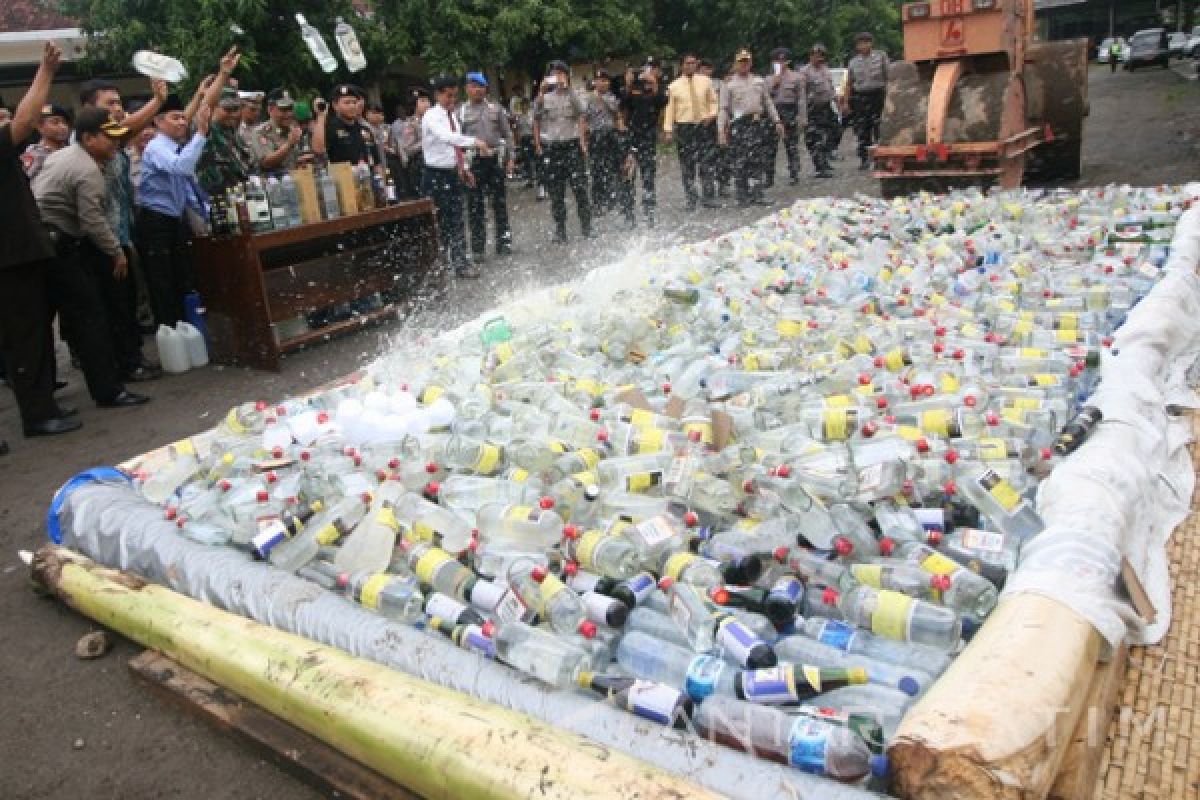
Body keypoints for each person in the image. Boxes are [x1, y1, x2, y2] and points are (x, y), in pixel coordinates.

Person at [34, 106, 152, 410]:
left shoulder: (65, 155)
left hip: (41, 242)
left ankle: (42, 399)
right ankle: (108, 391)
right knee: (91, 319)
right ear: (87, 138)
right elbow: (93, 221)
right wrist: (116, 252)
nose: (115, 143)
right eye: (108, 137)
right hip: (58, 245)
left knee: (42, 324)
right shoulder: (87, 171)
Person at [0, 42, 82, 442]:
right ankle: (37, 415)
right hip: (10, 260)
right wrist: (46, 71)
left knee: (31, 338)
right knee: (25, 340)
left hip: (19, 256)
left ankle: (43, 406)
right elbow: (26, 119)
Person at [78, 75, 170, 381]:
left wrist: (158, 102)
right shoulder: (87, 144)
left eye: (119, 102)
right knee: (112, 308)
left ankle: (133, 359)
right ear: (89, 110)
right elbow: (90, 212)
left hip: (122, 235)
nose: (118, 109)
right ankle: (124, 366)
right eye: (110, 103)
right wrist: (113, 248)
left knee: (127, 303)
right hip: (99, 241)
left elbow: (129, 127)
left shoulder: (112, 137)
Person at [137, 93, 212, 327]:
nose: (181, 122)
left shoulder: (178, 146)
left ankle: (188, 329)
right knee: (163, 282)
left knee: (183, 277)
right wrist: (200, 133)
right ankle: (170, 331)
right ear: (158, 122)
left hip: (176, 219)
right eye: (175, 117)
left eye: (183, 118)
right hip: (156, 221)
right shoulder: (156, 147)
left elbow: (188, 186)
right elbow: (181, 167)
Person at [421, 75, 492, 279]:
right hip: (435, 175)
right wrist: (475, 142)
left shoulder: (453, 117)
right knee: (440, 223)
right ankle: (440, 266)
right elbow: (448, 138)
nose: (452, 100)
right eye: (448, 96)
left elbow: (456, 150)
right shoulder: (431, 116)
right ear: (438, 95)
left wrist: (464, 168)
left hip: (452, 173)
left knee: (458, 219)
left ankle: (461, 264)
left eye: (454, 96)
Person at [533, 60, 592, 244]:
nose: (557, 77)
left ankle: (587, 227)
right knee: (556, 192)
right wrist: (541, 92)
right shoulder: (546, 97)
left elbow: (582, 111)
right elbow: (535, 115)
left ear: (567, 75)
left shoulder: (575, 95)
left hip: (572, 147)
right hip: (554, 149)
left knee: (580, 188)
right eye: (554, 73)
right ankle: (560, 230)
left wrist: (569, 88)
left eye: (561, 73)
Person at [459, 72, 515, 258]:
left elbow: (507, 135)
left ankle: (504, 243)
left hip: (494, 160)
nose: (478, 90)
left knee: (499, 204)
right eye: (474, 86)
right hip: (473, 162)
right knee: (475, 207)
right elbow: (457, 141)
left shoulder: (496, 109)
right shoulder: (461, 112)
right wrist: (462, 167)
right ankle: (478, 249)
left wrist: (511, 158)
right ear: (467, 89)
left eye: (481, 86)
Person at [719, 48, 784, 207]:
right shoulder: (729, 84)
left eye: (747, 61)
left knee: (757, 159)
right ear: (736, 63)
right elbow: (723, 108)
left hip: (756, 123)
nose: (744, 65)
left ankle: (757, 193)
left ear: (751, 63)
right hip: (739, 124)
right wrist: (721, 130)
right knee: (740, 160)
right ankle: (742, 195)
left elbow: (768, 103)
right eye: (741, 62)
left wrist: (777, 121)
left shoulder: (758, 81)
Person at [663, 52, 719, 211]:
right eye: (687, 63)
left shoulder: (705, 81)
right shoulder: (673, 86)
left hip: (703, 125)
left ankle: (708, 197)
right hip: (684, 128)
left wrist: (712, 114)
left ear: (697, 64)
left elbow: (713, 101)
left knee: (707, 163)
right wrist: (668, 130)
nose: (690, 66)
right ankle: (691, 199)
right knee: (687, 166)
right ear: (681, 65)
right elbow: (669, 109)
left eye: (693, 63)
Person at [619, 67, 667, 227]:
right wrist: (628, 83)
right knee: (627, 179)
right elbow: (623, 103)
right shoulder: (632, 90)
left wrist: (654, 83)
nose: (643, 81)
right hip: (630, 142)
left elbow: (663, 101)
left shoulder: (653, 91)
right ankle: (628, 216)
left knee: (648, 180)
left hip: (648, 143)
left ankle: (649, 215)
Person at [197, 87, 256, 197]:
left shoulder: (232, 133)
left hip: (238, 195)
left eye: (236, 109)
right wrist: (223, 74)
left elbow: (245, 165)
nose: (233, 114)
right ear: (213, 108)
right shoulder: (206, 130)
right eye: (228, 110)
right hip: (214, 197)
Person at [844, 32, 888, 170]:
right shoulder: (853, 62)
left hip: (878, 95)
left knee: (879, 129)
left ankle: (882, 159)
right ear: (857, 46)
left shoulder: (881, 57)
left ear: (871, 43)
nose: (863, 45)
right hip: (860, 97)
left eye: (866, 42)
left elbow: (888, 78)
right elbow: (849, 83)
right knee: (863, 130)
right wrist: (846, 102)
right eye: (860, 43)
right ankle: (864, 159)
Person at [313, 84, 380, 169]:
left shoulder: (365, 130)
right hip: (343, 179)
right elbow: (318, 150)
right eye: (347, 102)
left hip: (367, 178)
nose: (352, 106)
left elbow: (377, 163)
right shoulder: (330, 128)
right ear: (335, 105)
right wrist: (321, 116)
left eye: (354, 102)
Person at [765, 47, 804, 187]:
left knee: (791, 145)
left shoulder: (797, 77)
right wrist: (774, 84)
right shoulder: (767, 79)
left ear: (787, 62)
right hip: (773, 112)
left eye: (782, 61)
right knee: (770, 147)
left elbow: (801, 99)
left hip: (790, 111)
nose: (780, 63)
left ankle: (794, 173)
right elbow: (765, 98)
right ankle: (769, 176)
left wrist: (802, 118)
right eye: (777, 61)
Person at [585, 70, 621, 214]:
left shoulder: (611, 97)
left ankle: (611, 199)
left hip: (611, 135)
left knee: (612, 168)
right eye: (599, 80)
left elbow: (615, 112)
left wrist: (601, 98)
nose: (602, 83)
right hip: (595, 136)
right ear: (595, 82)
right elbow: (583, 118)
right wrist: (584, 140)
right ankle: (597, 202)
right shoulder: (587, 99)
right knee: (596, 170)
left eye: (605, 80)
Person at [250, 89, 310, 174]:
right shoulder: (261, 132)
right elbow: (266, 162)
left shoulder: (293, 129)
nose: (289, 114)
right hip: (272, 182)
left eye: (290, 108)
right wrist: (289, 145)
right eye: (283, 110)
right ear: (270, 109)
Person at [802, 44, 838, 179]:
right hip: (812, 108)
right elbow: (802, 93)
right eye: (816, 55)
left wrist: (836, 101)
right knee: (815, 139)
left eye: (821, 55)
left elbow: (830, 88)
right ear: (811, 56)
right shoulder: (805, 72)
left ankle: (825, 159)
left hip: (826, 107)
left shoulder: (826, 70)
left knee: (834, 132)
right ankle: (819, 166)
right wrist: (803, 113)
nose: (819, 58)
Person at [700, 58, 731, 197]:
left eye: (708, 68)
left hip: (718, 121)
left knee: (722, 155)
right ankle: (708, 188)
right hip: (701, 123)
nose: (705, 71)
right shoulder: (694, 84)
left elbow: (723, 104)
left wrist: (724, 123)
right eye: (703, 68)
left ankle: (723, 184)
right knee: (705, 158)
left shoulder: (718, 83)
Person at [395, 89, 431, 200]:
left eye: (428, 100)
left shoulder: (434, 120)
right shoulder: (410, 124)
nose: (427, 104)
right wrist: (427, 142)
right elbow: (408, 149)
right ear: (414, 105)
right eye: (422, 101)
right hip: (421, 166)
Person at [21, 104, 71, 181]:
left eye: (64, 122)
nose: (63, 127)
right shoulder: (35, 154)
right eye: (55, 122)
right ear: (40, 127)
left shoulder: (72, 149)